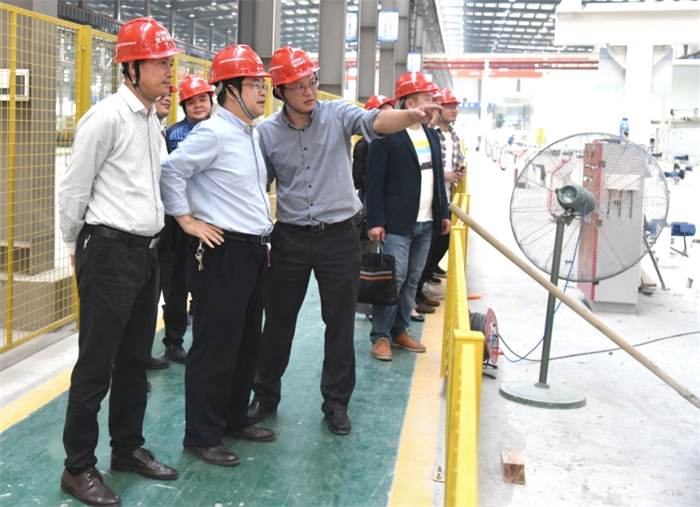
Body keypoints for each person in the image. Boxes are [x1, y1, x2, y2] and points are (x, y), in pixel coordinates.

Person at [248, 46, 442, 436]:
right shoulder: (265, 133)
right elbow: (256, 186)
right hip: (290, 238)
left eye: (312, 82)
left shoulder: (336, 114)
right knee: (279, 322)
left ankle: (336, 403)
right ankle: (265, 396)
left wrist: (411, 115)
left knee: (338, 323)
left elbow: (376, 121)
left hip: (339, 236)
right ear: (279, 92)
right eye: (299, 86)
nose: (309, 91)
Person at [57, 17, 181, 507]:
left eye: (170, 62)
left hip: (145, 254)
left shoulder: (151, 120)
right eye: (160, 62)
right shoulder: (106, 117)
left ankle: (127, 448)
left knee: (134, 360)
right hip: (108, 252)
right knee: (96, 364)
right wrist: (75, 246)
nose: (169, 71)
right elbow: (74, 188)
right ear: (131, 68)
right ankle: (77, 468)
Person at [160, 44, 275, 467]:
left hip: (251, 251)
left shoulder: (250, 133)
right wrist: (186, 220)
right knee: (215, 346)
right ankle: (202, 435)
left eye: (263, 84)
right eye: (254, 84)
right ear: (230, 90)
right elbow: (170, 171)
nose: (263, 91)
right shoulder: (212, 133)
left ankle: (233, 418)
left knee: (245, 342)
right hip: (222, 251)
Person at [365, 72, 451, 362]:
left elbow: (436, 177)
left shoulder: (430, 134)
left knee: (412, 280)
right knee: (393, 280)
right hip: (397, 223)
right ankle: (380, 336)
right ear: (409, 102)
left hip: (426, 222)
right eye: (427, 98)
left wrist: (442, 212)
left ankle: (400, 330)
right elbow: (373, 181)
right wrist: (376, 221)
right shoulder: (387, 134)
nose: (433, 102)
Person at [155, 75, 216, 366]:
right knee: (176, 283)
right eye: (191, 102)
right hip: (178, 221)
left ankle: (206, 341)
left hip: (210, 219)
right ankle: (174, 341)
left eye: (202, 99)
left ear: (211, 101)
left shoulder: (221, 131)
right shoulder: (174, 135)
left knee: (207, 285)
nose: (197, 105)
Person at [415, 88, 464, 313]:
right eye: (449, 106)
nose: (454, 110)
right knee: (427, 246)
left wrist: (458, 170)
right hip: (429, 198)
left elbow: (455, 159)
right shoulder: (429, 133)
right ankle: (417, 292)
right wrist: (443, 174)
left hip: (445, 196)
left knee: (440, 242)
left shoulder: (453, 135)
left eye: (455, 107)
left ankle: (421, 285)